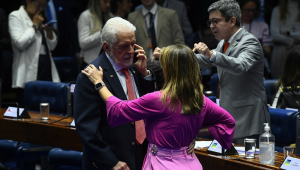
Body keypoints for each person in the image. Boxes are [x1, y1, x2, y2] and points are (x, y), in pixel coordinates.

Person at [82, 44, 235, 170]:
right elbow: (228, 122)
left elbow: (119, 109)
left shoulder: (159, 99)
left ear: (169, 69)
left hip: (162, 165)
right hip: (191, 163)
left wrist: (99, 84)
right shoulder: (200, 99)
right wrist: (190, 135)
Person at [152, 0, 270, 145]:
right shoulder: (223, 43)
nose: (212, 26)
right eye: (210, 22)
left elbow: (241, 65)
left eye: (216, 21)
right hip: (232, 114)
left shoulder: (250, 42)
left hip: (249, 118)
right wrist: (169, 54)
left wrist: (211, 54)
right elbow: (202, 60)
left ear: (232, 21)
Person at [74, 17, 157, 170]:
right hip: (113, 161)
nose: (131, 51)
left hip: (143, 157)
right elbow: (87, 130)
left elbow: (148, 107)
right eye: (124, 46)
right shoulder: (91, 76)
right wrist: (110, 162)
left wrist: (145, 75)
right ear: (106, 47)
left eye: (133, 44)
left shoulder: (136, 68)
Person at [8, 0, 60, 107]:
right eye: (38, 5)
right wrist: (35, 26)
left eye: (44, 5)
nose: (41, 8)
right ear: (28, 1)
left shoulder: (41, 17)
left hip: (46, 72)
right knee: (28, 114)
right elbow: (19, 43)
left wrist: (50, 34)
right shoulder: (16, 16)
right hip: (27, 74)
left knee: (48, 113)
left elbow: (51, 47)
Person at [239, 0, 272, 78]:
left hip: (257, 66)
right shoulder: (232, 25)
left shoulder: (263, 26)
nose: (250, 13)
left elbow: (268, 52)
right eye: (247, 10)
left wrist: (259, 47)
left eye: (253, 10)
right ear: (240, 9)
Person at [77, 0, 113, 70]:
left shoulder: (110, 16)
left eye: (109, 2)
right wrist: (102, 32)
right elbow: (83, 43)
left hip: (108, 64)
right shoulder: (86, 16)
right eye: (105, 2)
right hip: (90, 64)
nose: (108, 5)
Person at [270, 0, 300, 79]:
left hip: (298, 49)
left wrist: (287, 33)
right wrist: (293, 40)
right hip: (280, 50)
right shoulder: (277, 10)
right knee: (279, 82)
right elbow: (275, 36)